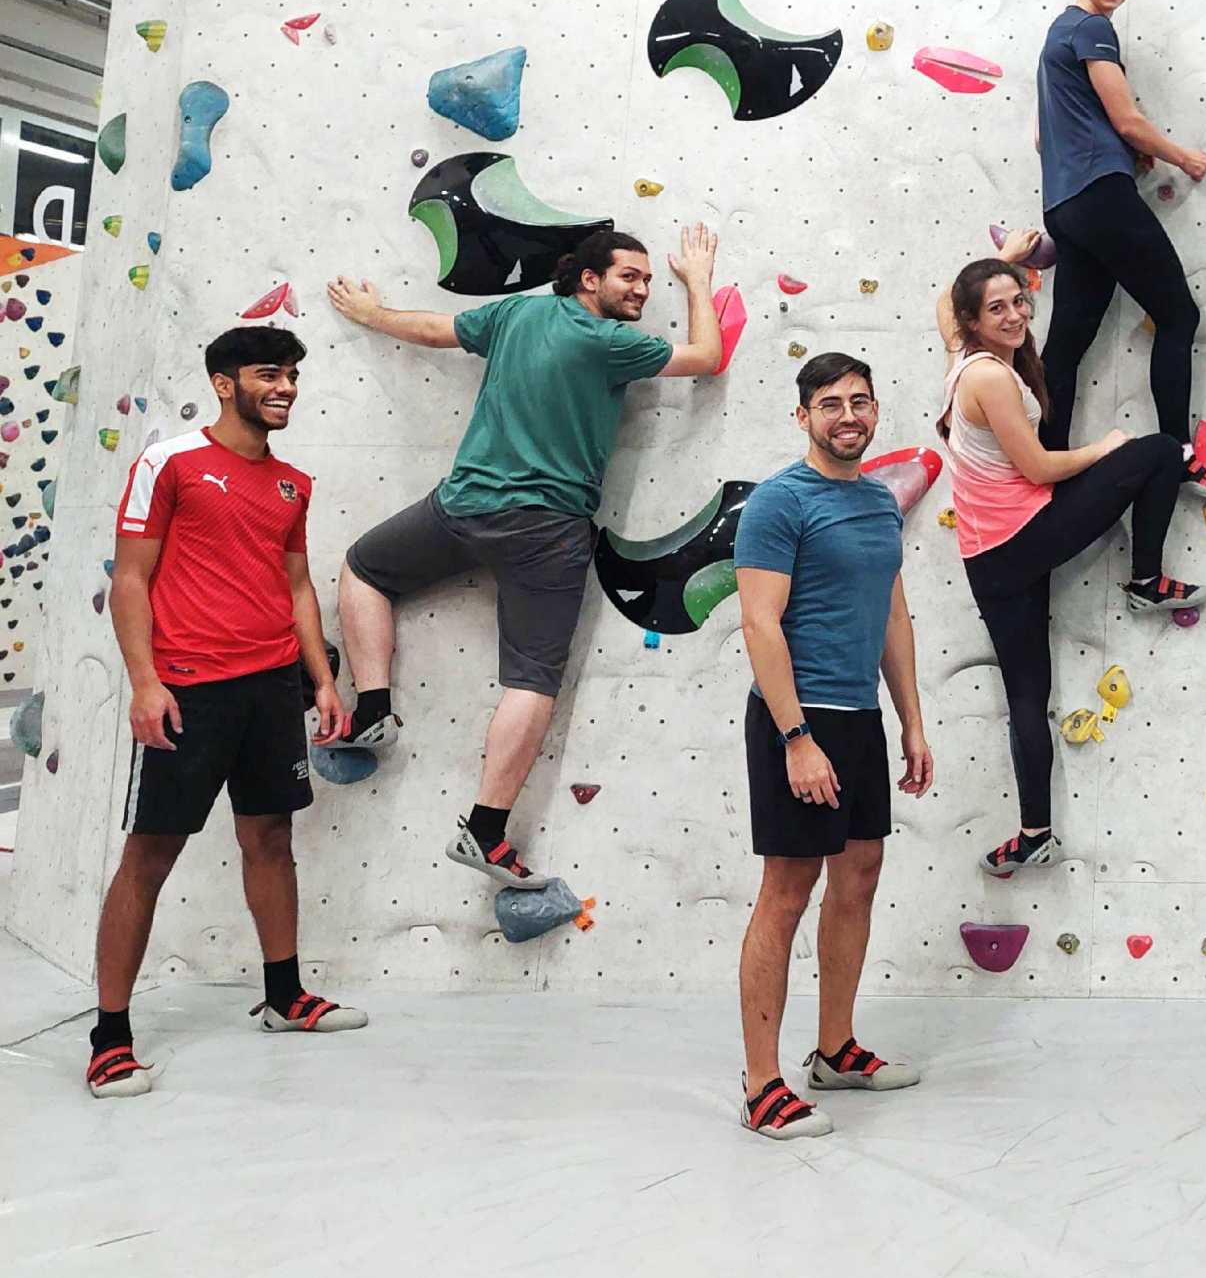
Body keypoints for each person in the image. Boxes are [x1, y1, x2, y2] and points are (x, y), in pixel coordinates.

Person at [327, 224, 724, 890]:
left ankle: (372, 710)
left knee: (365, 571)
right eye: (632, 276)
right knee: (532, 679)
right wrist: (701, 280)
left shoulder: (517, 312)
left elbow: (434, 329)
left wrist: (373, 316)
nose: (645, 289)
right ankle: (485, 832)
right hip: (547, 532)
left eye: (651, 280)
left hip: (463, 509)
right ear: (589, 279)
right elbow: (707, 357)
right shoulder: (609, 342)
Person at [87, 326, 364, 1098]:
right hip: (188, 689)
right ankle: (110, 1036)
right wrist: (145, 682)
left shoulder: (293, 484)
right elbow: (131, 580)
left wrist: (323, 681)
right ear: (223, 382)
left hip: (273, 688)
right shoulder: (169, 462)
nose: (285, 389)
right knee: (150, 855)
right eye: (269, 375)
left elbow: (299, 586)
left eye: (293, 377)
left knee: (271, 838)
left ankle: (284, 995)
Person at [937, 241, 1206, 876]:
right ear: (974, 322)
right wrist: (1104, 447)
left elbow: (942, 306)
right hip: (1024, 535)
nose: (1014, 316)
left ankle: (1035, 832)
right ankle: (1145, 579)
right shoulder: (987, 376)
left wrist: (1002, 258)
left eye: (1019, 301)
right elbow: (1037, 466)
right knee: (1161, 451)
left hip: (988, 559)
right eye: (996, 309)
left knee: (1029, 696)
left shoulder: (960, 355)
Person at [731, 351, 932, 1141]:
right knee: (788, 890)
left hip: (857, 718)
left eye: (861, 401)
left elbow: (892, 616)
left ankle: (836, 1048)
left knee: (860, 874)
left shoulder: (881, 504)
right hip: (796, 718)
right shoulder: (780, 504)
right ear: (803, 416)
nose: (848, 415)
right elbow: (759, 623)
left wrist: (910, 719)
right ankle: (760, 1084)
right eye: (830, 404)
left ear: (875, 410)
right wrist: (795, 738)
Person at [1033, 0, 1206, 503]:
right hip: (1101, 196)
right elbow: (1127, 119)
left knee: (1066, 346)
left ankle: (1046, 470)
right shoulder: (1093, 29)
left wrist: (1123, 150)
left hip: (1065, 204)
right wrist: (1183, 157)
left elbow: (1044, 136)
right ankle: (1179, 454)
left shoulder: (1057, 34)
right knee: (1178, 316)